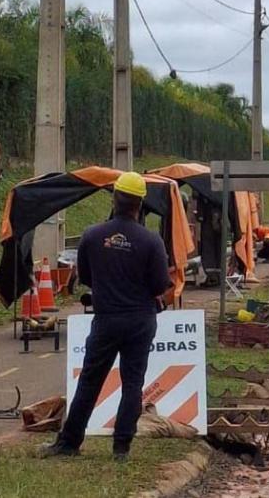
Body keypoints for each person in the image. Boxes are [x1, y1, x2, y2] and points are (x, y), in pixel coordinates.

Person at [42, 172, 171, 462]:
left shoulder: (92, 235)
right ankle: (121, 447)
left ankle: (69, 443)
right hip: (140, 321)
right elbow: (159, 286)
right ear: (140, 204)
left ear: (115, 199)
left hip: (106, 319)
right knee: (133, 382)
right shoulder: (151, 241)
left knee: (90, 380)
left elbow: (86, 277)